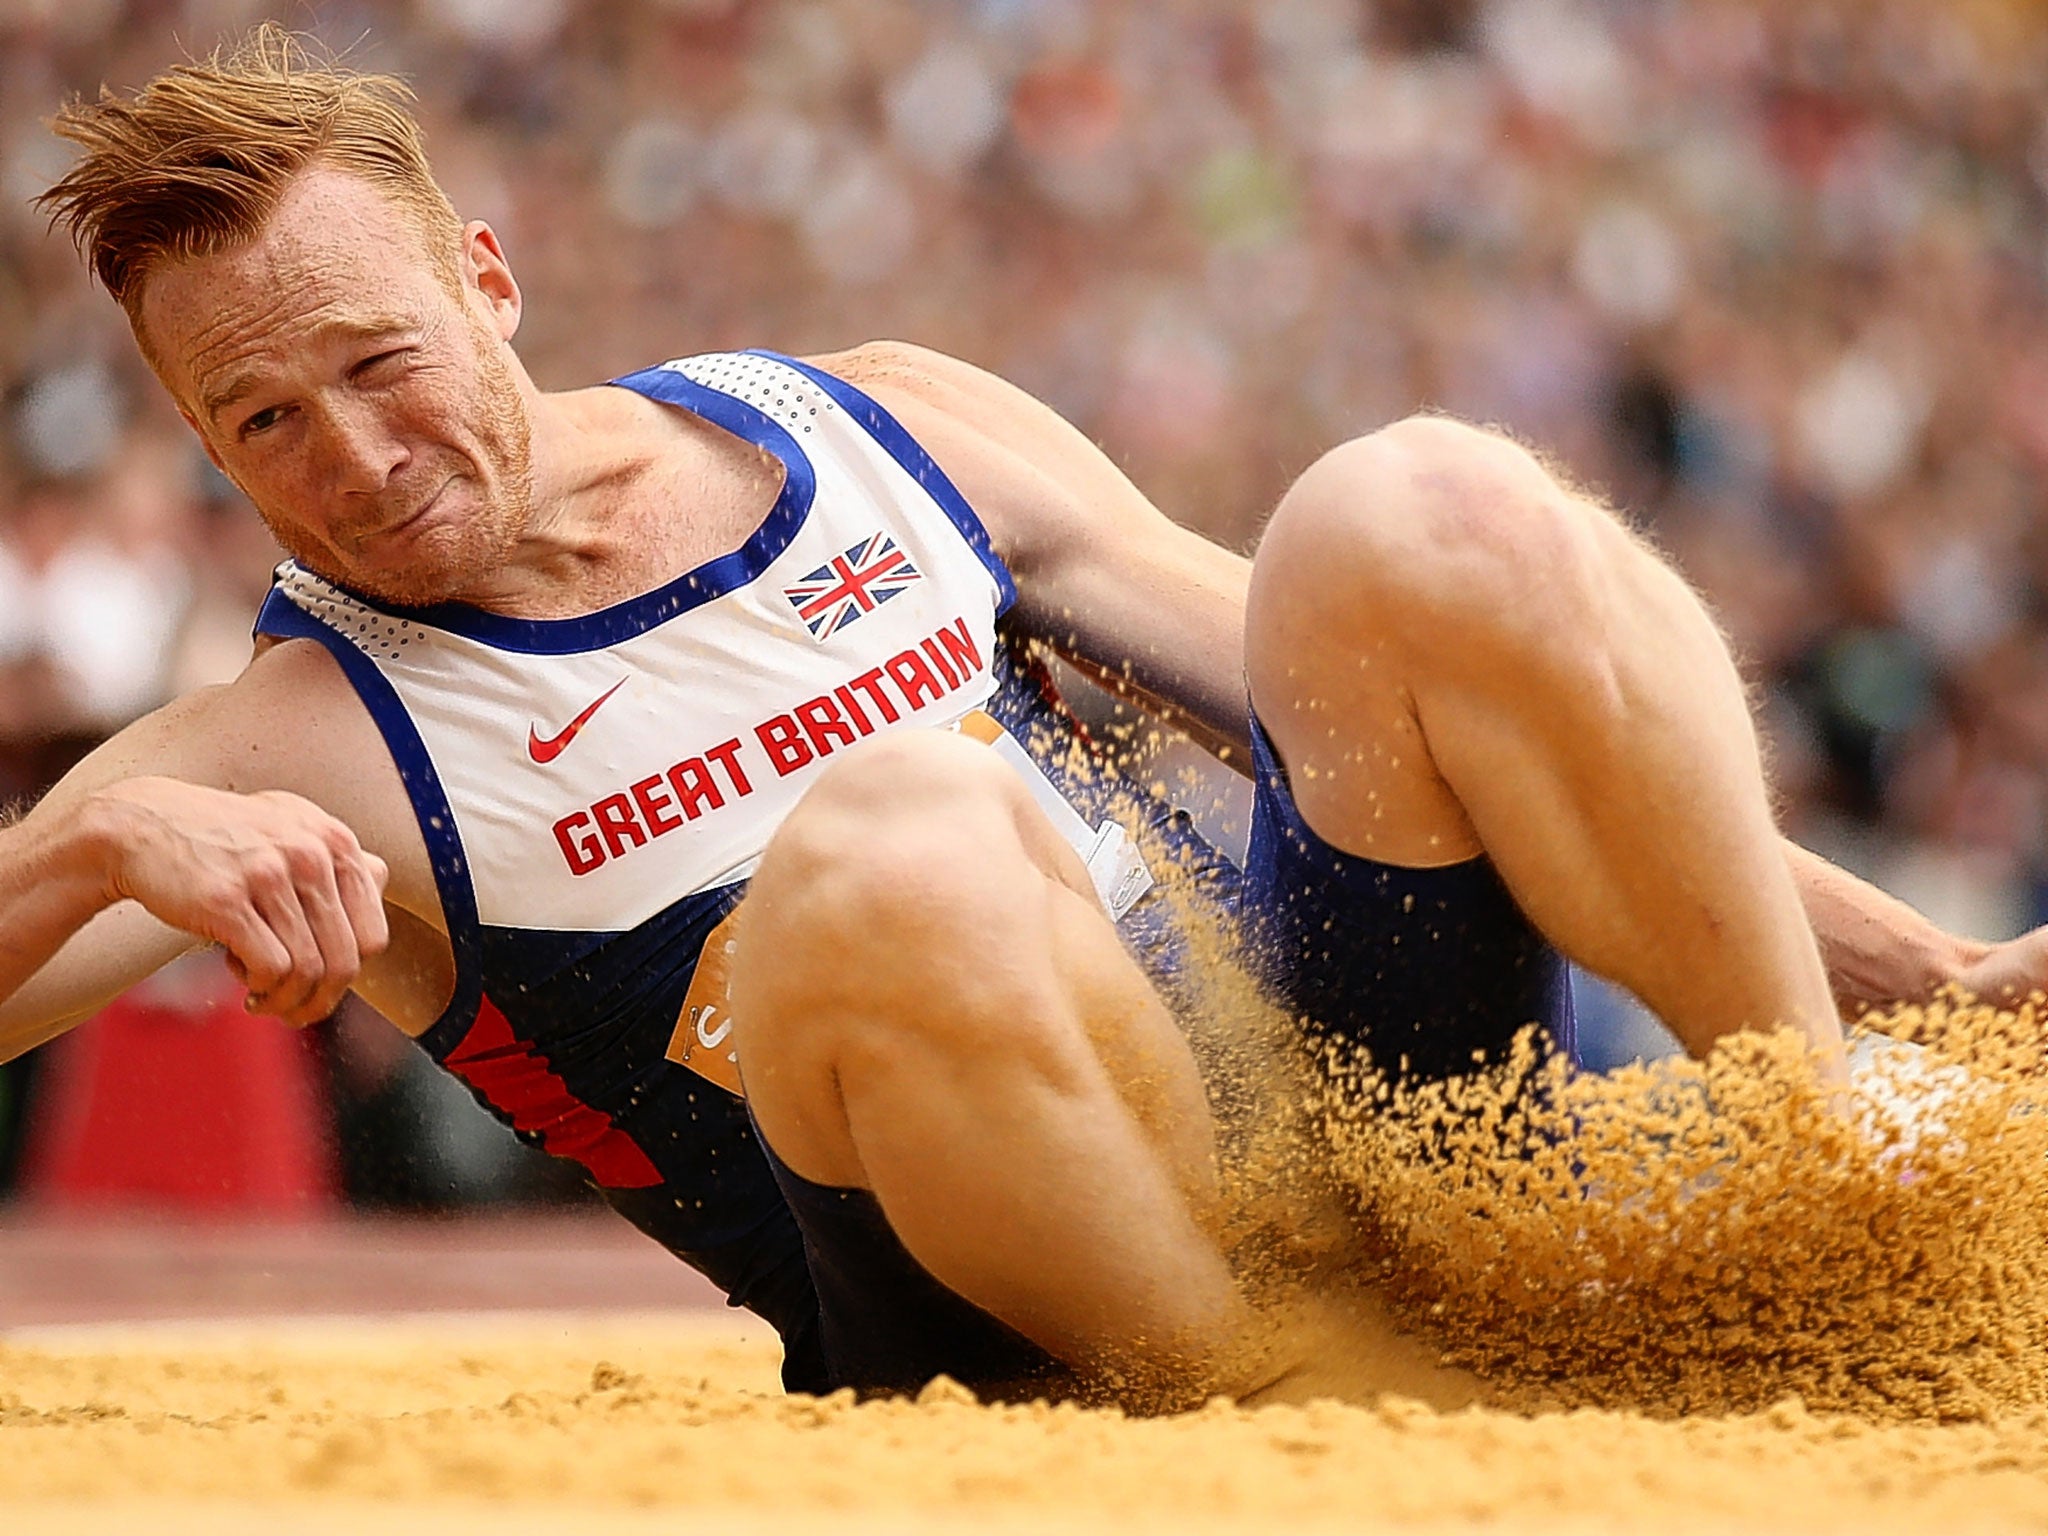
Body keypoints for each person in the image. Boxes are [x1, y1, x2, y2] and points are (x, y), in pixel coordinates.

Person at [9, 27, 2042, 1405]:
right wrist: (98, 842)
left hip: (1358, 1120)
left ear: (490, 279)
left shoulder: (873, 423)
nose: (355, 460)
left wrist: (1930, 970)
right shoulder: (296, 740)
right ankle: (1296, 1431)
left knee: (1426, 507)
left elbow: (1435, 711)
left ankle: (1833, 1180)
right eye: (260, 422)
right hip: (1027, 1312)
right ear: (196, 440)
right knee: (899, 833)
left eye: (379, 364)